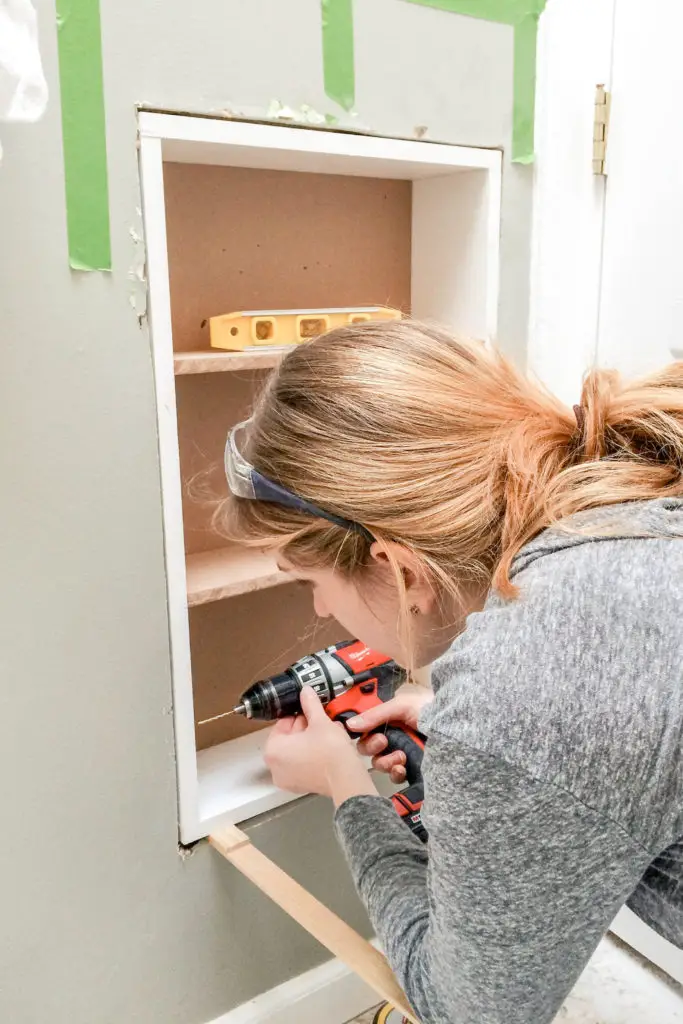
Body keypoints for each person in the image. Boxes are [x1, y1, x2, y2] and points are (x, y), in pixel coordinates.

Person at [216, 319, 683, 1024]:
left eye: (304, 579)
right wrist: (475, 747)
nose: (316, 607)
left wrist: (345, 787)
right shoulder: (627, 505)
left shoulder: (524, 685)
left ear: (396, 568)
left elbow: (470, 1011)